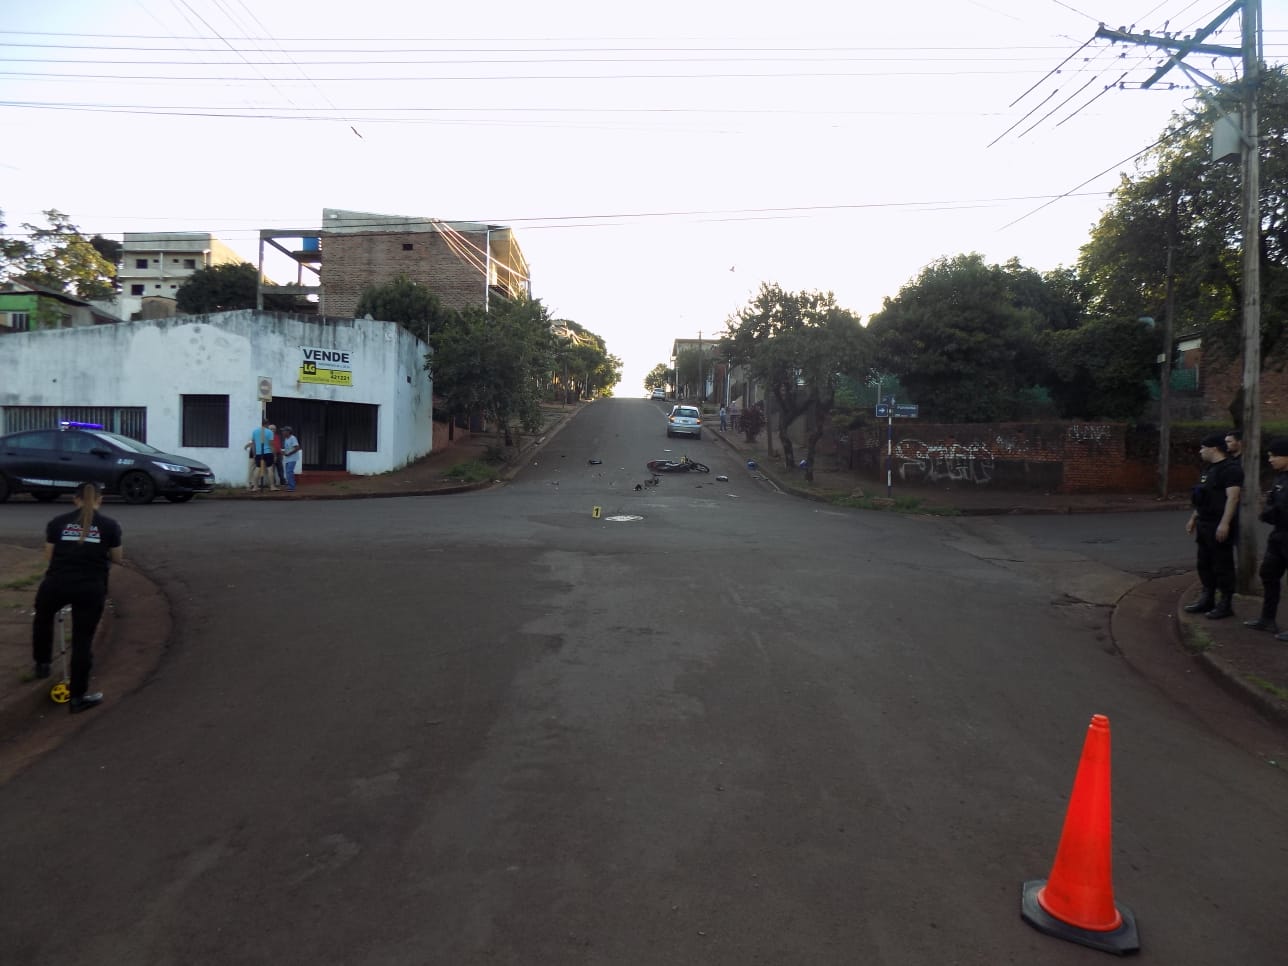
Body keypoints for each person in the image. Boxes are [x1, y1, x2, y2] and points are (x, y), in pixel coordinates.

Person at [31, 482, 123, 714]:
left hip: (56, 583)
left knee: (42, 618)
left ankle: (42, 664)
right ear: (99, 500)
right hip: (90, 587)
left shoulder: (57, 523)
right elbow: (117, 558)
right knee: (83, 640)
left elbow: (48, 556)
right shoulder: (110, 526)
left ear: (75, 499)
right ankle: (78, 697)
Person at [1184, 433, 1244, 620]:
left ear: (1213, 448)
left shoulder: (1231, 469)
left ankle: (1225, 604)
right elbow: (1202, 497)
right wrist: (1193, 518)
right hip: (1204, 522)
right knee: (1204, 563)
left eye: (1203, 447)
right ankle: (1207, 598)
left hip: (1219, 524)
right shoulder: (1208, 469)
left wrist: (1225, 523)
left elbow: (1233, 498)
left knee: (1222, 565)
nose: (1200, 451)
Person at [1243, 438, 1288, 638]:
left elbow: (1277, 509)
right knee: (1268, 574)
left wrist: (1272, 511)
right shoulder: (1279, 479)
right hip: (1278, 535)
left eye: (1274, 455)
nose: (1270, 460)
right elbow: (1269, 507)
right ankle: (1267, 619)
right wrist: (1271, 512)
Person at [249, 419, 277, 492]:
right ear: (267, 424)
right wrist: (274, 455)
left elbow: (253, 444)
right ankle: (272, 486)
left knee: (257, 468)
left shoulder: (255, 431)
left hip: (259, 453)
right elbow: (271, 444)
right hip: (268, 452)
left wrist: (255, 454)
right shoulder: (270, 432)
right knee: (270, 468)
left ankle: (255, 487)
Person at [281, 426, 301, 491]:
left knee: (289, 472)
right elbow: (288, 448)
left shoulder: (293, 438)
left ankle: (292, 487)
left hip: (292, 458)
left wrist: (289, 453)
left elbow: (297, 447)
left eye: (284, 431)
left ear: (288, 432)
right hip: (288, 458)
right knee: (288, 472)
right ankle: (290, 485)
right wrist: (283, 452)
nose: (282, 432)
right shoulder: (286, 439)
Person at [269, 423, 285, 487]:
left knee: (280, 468)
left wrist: (281, 453)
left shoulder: (277, 436)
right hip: (271, 454)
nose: (273, 430)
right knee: (272, 469)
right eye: (271, 429)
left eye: (274, 429)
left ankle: (282, 482)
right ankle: (273, 483)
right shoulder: (267, 437)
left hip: (278, 454)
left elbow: (279, 445)